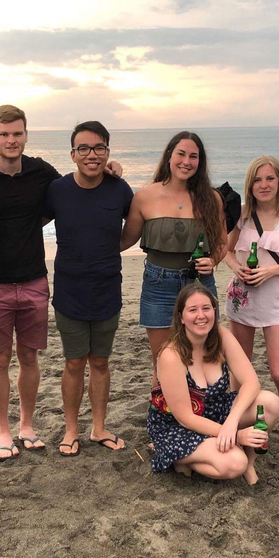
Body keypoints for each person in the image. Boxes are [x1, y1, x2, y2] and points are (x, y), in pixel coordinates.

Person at [0, 105, 123, 460]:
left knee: (29, 357)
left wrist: (107, 169)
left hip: (34, 279)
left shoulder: (43, 172)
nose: (11, 140)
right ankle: (3, 431)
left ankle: (27, 426)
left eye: (17, 133)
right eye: (4, 134)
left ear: (26, 134)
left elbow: (78, 189)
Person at [43, 121, 132, 457]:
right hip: (69, 293)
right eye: (84, 148)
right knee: (73, 363)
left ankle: (98, 427)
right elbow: (28, 219)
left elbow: (135, 225)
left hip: (109, 290)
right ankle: (70, 429)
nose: (92, 154)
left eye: (99, 148)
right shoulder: (57, 190)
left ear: (108, 152)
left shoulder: (119, 188)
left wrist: (111, 249)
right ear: (72, 154)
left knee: (101, 362)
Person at [147, 284, 279, 484]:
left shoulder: (220, 335)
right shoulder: (171, 355)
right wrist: (236, 435)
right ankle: (180, 459)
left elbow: (251, 382)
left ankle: (250, 462)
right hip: (178, 426)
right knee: (235, 463)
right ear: (181, 317)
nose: (201, 315)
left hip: (217, 413)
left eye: (206, 308)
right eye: (192, 310)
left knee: (270, 403)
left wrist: (231, 422)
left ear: (214, 311)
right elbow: (185, 417)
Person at [223, 156, 279, 454]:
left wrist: (274, 270)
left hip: (277, 298)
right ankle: (239, 424)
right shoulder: (242, 215)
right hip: (243, 298)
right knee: (240, 368)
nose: (264, 185)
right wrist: (236, 267)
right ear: (250, 184)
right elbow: (222, 248)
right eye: (258, 180)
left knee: (278, 371)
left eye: (269, 179)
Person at [120, 131, 225, 378]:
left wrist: (213, 261)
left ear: (200, 162)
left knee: (204, 356)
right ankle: (163, 414)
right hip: (158, 285)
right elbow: (124, 241)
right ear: (169, 156)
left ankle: (200, 411)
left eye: (193, 156)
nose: (186, 161)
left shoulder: (212, 198)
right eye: (181, 154)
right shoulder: (145, 196)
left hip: (200, 285)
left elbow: (221, 243)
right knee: (162, 359)